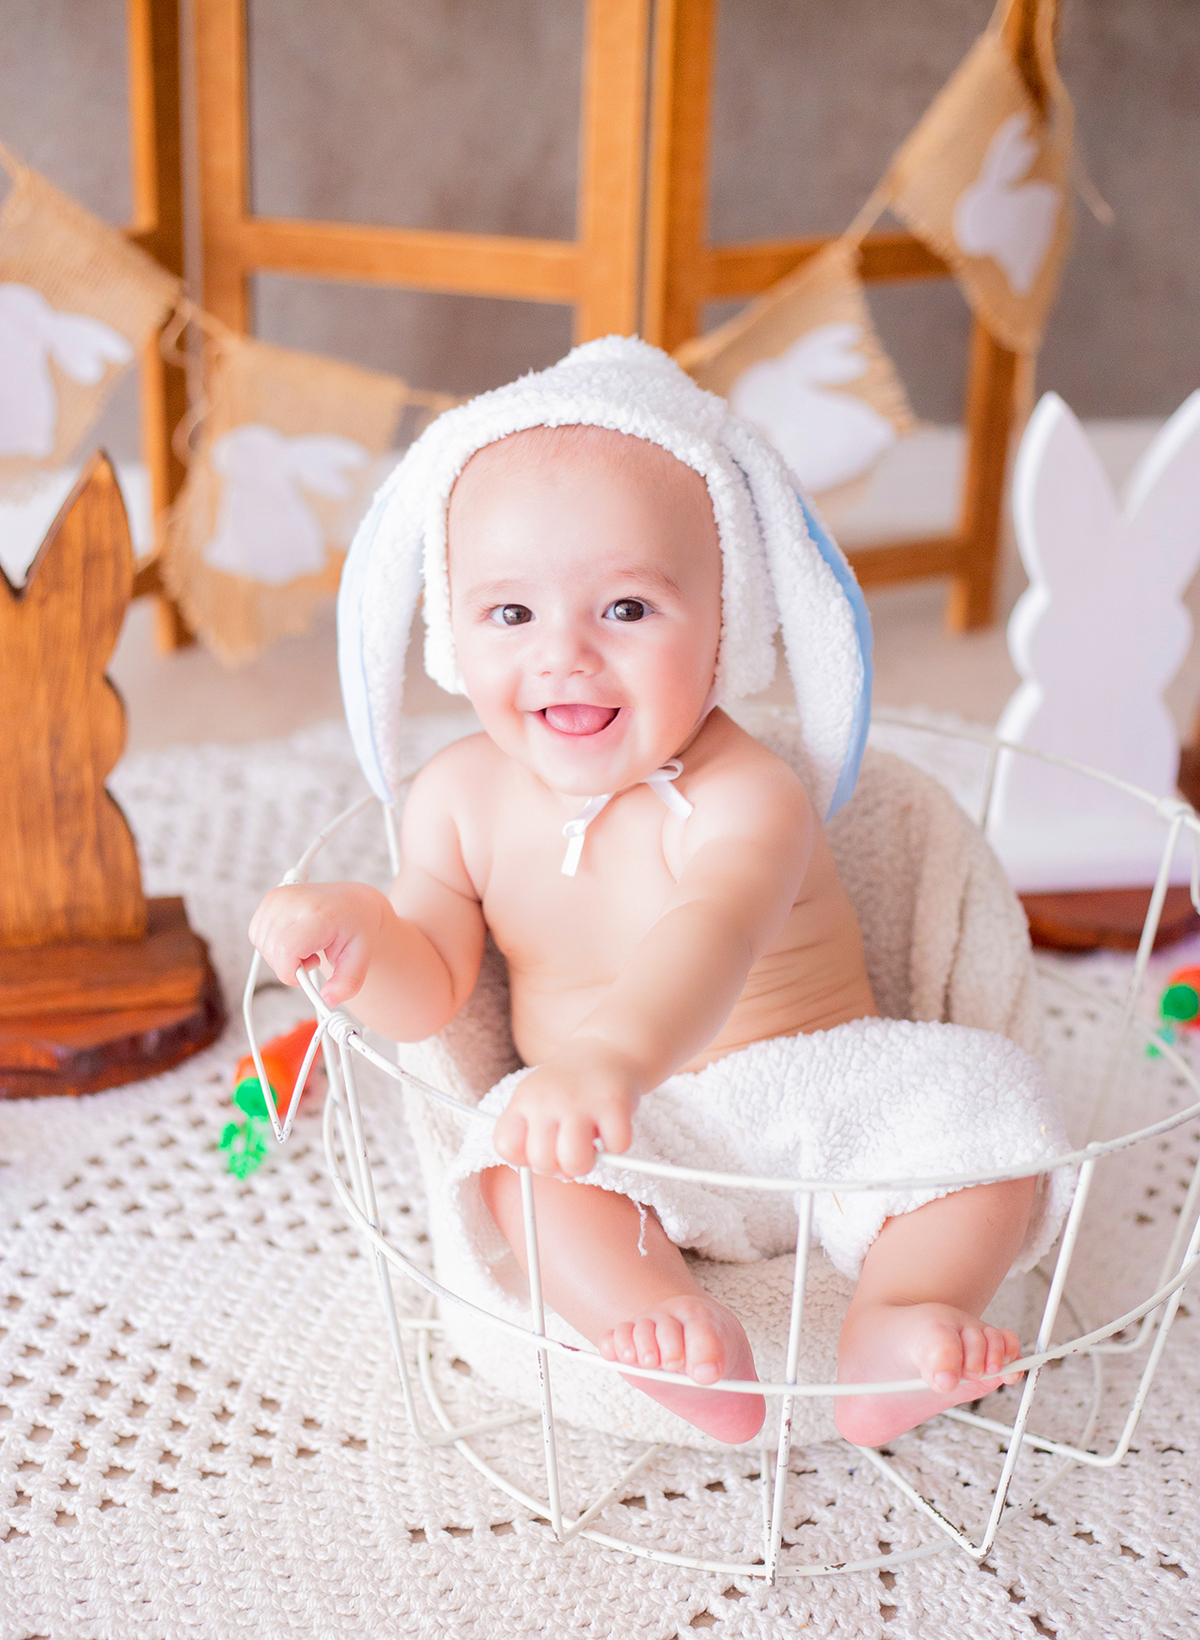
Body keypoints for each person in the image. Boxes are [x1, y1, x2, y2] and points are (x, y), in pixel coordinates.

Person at [250, 339, 1069, 1449]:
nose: (566, 656)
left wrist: (611, 1057)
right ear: (447, 632)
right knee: (511, 1165)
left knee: (994, 1105)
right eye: (510, 615)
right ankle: (660, 1321)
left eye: (628, 609)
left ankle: (899, 1314)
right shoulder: (457, 798)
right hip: (635, 1136)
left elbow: (713, 928)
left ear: (726, 626)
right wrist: (357, 940)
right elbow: (432, 986)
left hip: (829, 1098)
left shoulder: (750, 790)